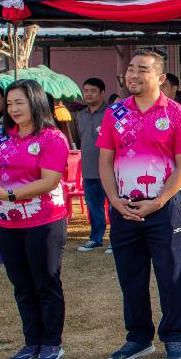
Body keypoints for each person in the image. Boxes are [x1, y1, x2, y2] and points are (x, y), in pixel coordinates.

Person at [97, 49, 181, 359]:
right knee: (131, 278)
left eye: (142, 69)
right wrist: (114, 200)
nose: (133, 74)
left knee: (171, 276)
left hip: (162, 209)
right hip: (124, 208)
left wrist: (159, 200)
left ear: (160, 77)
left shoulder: (176, 114)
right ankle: (138, 338)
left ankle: (174, 338)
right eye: (130, 68)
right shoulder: (114, 113)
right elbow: (105, 160)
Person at [0, 79, 69, 359]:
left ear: (35, 102)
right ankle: (32, 342)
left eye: (20, 102)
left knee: (46, 283)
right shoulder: (2, 137)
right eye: (10, 104)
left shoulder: (52, 138)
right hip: (7, 222)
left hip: (44, 220)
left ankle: (51, 343)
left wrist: (9, 194)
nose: (13, 109)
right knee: (21, 285)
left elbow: (49, 180)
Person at [72, 78, 110, 254]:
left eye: (92, 91)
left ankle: (116, 240)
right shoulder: (80, 115)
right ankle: (95, 238)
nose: (88, 94)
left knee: (114, 207)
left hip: (109, 170)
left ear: (102, 93)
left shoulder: (110, 114)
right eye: (85, 90)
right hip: (88, 170)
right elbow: (80, 139)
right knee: (94, 207)